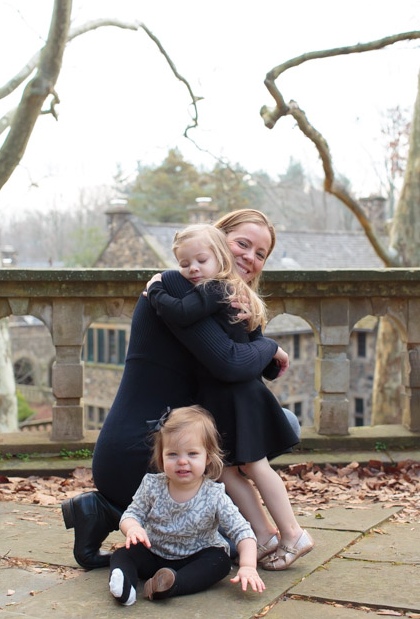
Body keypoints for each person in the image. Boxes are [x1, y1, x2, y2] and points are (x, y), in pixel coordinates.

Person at [62, 209, 299, 570]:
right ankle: (113, 510)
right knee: (221, 545)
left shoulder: (219, 298)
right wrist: (271, 347)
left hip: (178, 446)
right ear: (217, 241)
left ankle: (113, 511)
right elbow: (232, 363)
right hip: (143, 452)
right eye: (243, 244)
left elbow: (253, 367)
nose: (250, 257)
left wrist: (264, 346)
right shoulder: (176, 285)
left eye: (261, 253)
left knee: (280, 422)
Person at [146, 224, 314, 571]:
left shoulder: (215, 287)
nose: (192, 269)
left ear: (217, 255)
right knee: (226, 471)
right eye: (184, 264)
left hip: (236, 395)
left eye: (200, 260)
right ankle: (265, 535)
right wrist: (270, 355)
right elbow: (253, 344)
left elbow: (180, 313)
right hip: (223, 396)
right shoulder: (231, 289)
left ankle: (293, 533)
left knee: (254, 466)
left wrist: (156, 291)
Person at [108, 406, 265, 606]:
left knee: (220, 563)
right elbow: (132, 513)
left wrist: (248, 565)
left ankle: (171, 585)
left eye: (192, 454)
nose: (182, 461)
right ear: (161, 457)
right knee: (123, 554)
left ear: (207, 457)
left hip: (197, 556)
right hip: (154, 552)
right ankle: (124, 585)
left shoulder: (214, 494)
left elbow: (242, 532)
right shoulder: (152, 485)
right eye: (173, 454)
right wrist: (133, 528)